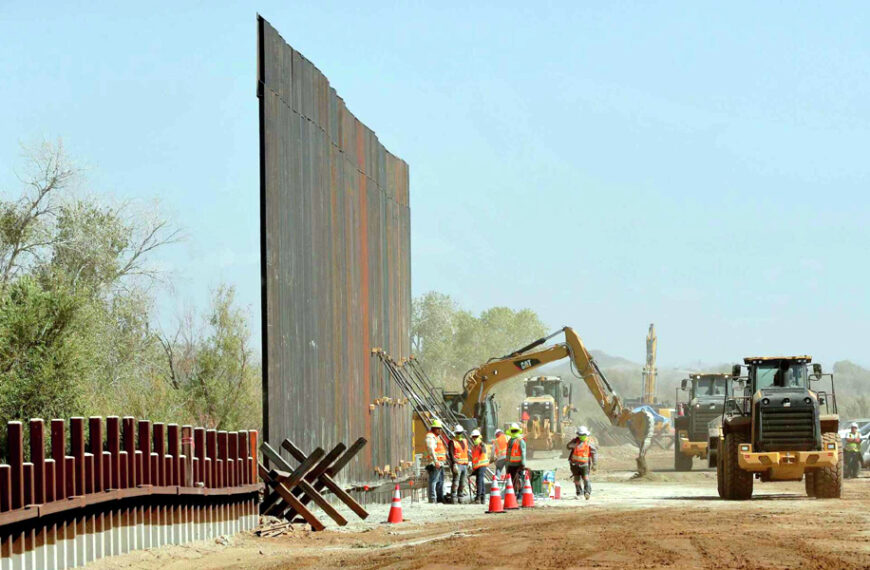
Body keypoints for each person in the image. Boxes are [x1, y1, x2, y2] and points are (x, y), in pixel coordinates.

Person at [566, 425, 597, 500]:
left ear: (586, 434)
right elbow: (568, 446)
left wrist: (594, 464)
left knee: (586, 478)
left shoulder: (589, 442)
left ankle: (587, 492)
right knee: (576, 479)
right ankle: (579, 493)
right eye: (580, 435)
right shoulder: (575, 441)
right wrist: (573, 445)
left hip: (584, 464)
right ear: (578, 434)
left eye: (583, 435)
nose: (582, 436)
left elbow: (594, 453)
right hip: (574, 464)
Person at [424, 419, 447, 503]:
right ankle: (432, 499)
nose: (440, 430)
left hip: (440, 462)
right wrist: (435, 461)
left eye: (440, 429)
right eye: (438, 428)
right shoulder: (430, 437)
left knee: (440, 481)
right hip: (434, 463)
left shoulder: (436, 437)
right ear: (433, 428)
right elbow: (431, 449)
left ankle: (439, 498)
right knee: (433, 481)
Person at [448, 424, 470, 503]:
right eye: (458, 433)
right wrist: (454, 464)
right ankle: (453, 496)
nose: (459, 434)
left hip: (464, 464)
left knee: (463, 481)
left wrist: (469, 462)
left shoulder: (465, 441)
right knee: (456, 481)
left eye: (460, 433)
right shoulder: (452, 442)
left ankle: (460, 495)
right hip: (457, 464)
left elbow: (466, 452)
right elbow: (451, 453)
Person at [470, 428, 489, 504]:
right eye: (473, 437)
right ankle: (482, 497)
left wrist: (480, 445)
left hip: (482, 465)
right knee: (480, 481)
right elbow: (474, 458)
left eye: (475, 437)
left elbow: (483, 452)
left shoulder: (481, 445)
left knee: (479, 481)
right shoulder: (474, 447)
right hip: (477, 466)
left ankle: (478, 497)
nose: (474, 438)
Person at [505, 422, 526, 493]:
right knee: (516, 480)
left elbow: (508, 454)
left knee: (514, 480)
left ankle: (516, 494)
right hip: (516, 465)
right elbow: (523, 453)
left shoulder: (511, 441)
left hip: (513, 465)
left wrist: (507, 465)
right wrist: (523, 463)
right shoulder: (519, 441)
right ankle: (517, 494)